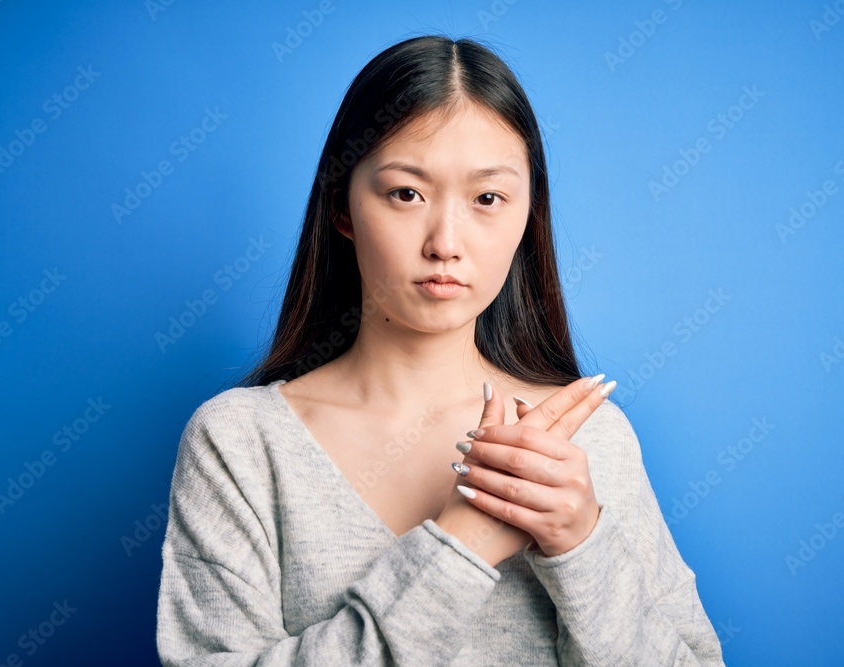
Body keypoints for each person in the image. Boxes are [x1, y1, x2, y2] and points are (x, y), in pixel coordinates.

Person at [156, 34, 725, 666]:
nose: (445, 242)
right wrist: (462, 545)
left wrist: (581, 543)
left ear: (528, 215)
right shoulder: (240, 443)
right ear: (342, 206)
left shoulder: (589, 441)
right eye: (406, 193)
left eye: (487, 199)